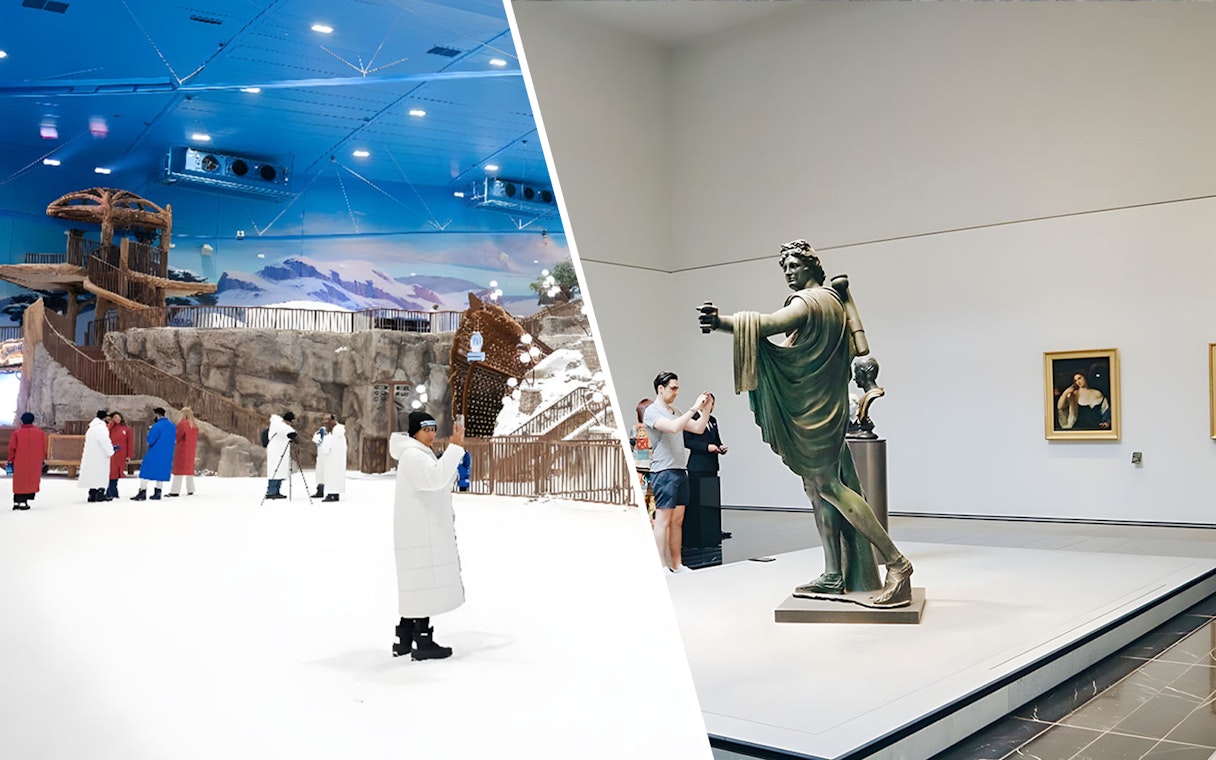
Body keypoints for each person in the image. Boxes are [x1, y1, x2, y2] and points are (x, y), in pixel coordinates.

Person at [697, 239, 913, 607]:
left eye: (794, 266)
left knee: (830, 488)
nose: (788, 273)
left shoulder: (811, 302)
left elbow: (767, 324)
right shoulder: (833, 302)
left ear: (812, 267)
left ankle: (897, 563)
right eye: (785, 268)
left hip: (817, 414)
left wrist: (720, 322)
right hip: (824, 409)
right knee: (817, 489)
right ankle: (833, 573)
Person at [389, 411, 466, 660]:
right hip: (420, 532)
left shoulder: (417, 453)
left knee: (417, 584)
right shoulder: (413, 455)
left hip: (420, 530)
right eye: (426, 429)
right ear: (415, 432)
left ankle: (405, 637)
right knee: (422, 584)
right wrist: (454, 449)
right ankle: (422, 642)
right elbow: (433, 479)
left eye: (434, 429)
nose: (431, 434)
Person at [643, 372, 709, 574]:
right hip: (664, 471)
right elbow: (672, 428)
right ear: (660, 389)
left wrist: (705, 410)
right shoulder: (652, 412)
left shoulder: (675, 411)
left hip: (681, 470)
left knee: (678, 521)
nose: (676, 392)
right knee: (662, 520)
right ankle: (661, 566)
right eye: (673, 388)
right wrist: (694, 408)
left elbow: (697, 428)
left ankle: (676, 564)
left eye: (677, 388)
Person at [683, 392, 730, 542]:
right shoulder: (691, 419)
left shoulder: (713, 420)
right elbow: (688, 442)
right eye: (708, 404)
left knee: (711, 499)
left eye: (713, 405)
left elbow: (716, 439)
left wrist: (720, 447)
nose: (711, 408)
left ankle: (713, 528)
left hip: (712, 464)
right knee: (697, 501)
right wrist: (706, 447)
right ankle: (697, 530)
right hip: (697, 465)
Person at [132, 407, 175, 501]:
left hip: (155, 451)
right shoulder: (172, 426)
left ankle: (142, 491)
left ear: (156, 415)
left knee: (145, 470)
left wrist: (149, 433)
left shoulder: (157, 426)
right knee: (161, 472)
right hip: (167, 454)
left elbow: (150, 440)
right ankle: (158, 492)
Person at [8, 412, 47, 510]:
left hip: (20, 461)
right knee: (30, 480)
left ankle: (18, 501)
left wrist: (10, 460)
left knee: (20, 481)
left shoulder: (17, 433)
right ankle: (24, 500)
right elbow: (43, 448)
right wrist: (42, 460)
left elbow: (12, 448)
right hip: (34, 462)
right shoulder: (40, 433)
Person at [80, 409, 116, 503]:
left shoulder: (91, 427)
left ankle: (92, 493)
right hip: (100, 455)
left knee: (93, 474)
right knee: (101, 474)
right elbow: (105, 441)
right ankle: (100, 493)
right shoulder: (101, 427)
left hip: (92, 455)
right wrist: (111, 451)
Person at [265, 411, 297, 500]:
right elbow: (287, 430)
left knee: (280, 471)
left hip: (281, 450)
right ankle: (271, 492)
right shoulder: (278, 424)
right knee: (275, 471)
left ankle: (277, 491)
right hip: (275, 451)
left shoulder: (282, 425)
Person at [315, 415, 346, 503]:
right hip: (331, 459)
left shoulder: (337, 433)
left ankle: (333, 494)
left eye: (327, 420)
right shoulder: (331, 432)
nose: (325, 422)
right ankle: (333, 494)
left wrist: (324, 439)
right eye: (324, 420)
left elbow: (328, 444)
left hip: (334, 459)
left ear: (333, 420)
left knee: (333, 476)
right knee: (331, 476)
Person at [168, 407, 198, 496]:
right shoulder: (195, 426)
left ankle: (175, 491)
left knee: (178, 471)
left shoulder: (183, 424)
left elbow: (177, 436)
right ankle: (190, 489)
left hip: (182, 450)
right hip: (191, 450)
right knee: (189, 471)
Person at [106, 411, 134, 500]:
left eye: (118, 417)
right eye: (114, 418)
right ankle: (111, 490)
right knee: (111, 472)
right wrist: (111, 423)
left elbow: (130, 443)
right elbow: (106, 432)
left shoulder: (126, 429)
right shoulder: (109, 428)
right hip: (111, 454)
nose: (117, 419)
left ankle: (112, 490)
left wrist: (129, 455)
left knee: (117, 472)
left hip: (121, 454)